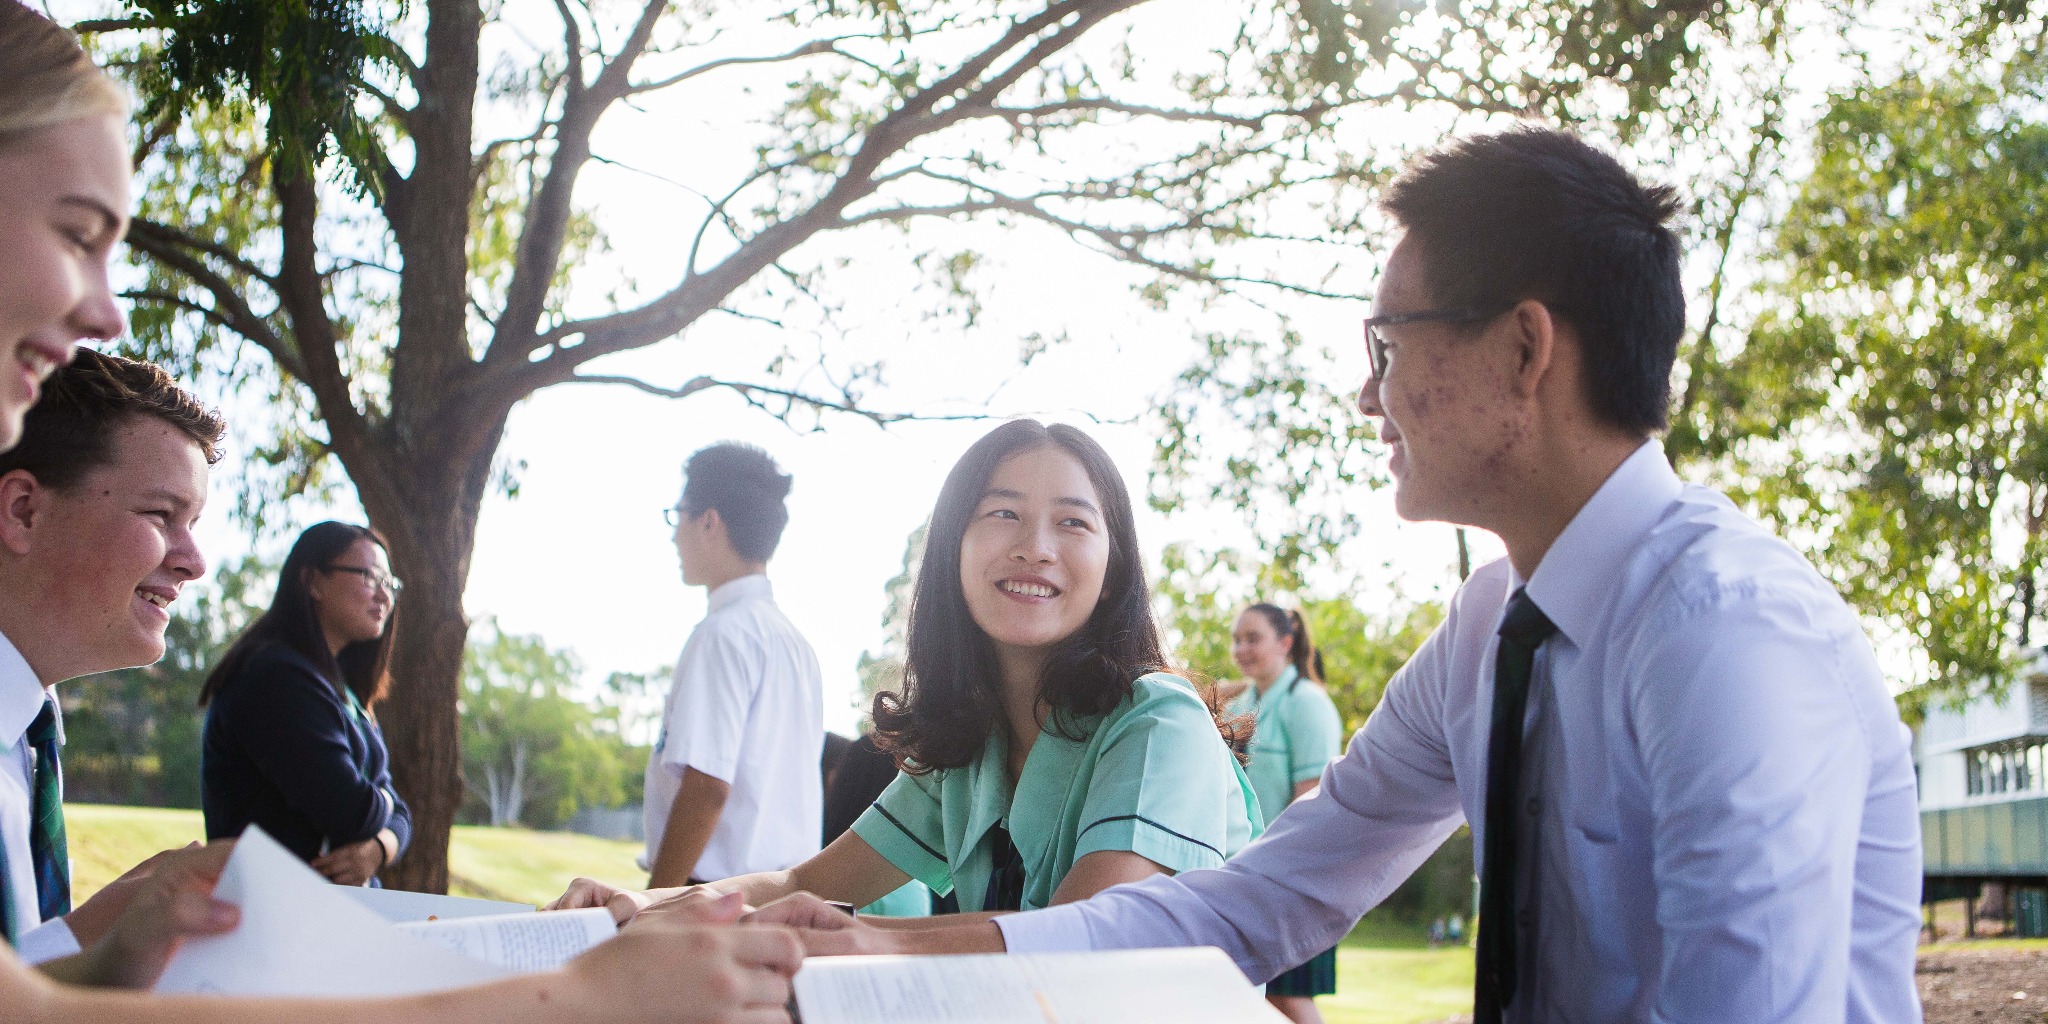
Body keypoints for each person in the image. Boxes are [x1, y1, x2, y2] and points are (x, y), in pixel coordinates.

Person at [744, 128, 1923, 1023]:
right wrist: (880, 950)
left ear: (1523, 348)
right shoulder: (1485, 630)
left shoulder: (1722, 629)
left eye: (1387, 346)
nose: (1368, 396)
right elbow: (1255, 900)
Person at [0, 7, 805, 1018]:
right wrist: (575, 996)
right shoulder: (277, 682)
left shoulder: (32, 728)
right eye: (76, 234)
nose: (106, 310)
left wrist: (113, 933)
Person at [551, 420, 1263, 926]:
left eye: (1073, 523)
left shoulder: (1158, 721)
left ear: (1112, 572)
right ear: (953, 551)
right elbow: (804, 880)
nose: (1035, 547)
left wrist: (856, 940)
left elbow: (1080, 940)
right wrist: (634, 903)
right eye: (1002, 513)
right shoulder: (969, 747)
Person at [643, 443, 823, 888]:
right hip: (778, 899)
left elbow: (707, 788)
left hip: (711, 903)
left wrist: (653, 905)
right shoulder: (797, 646)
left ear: (708, 521)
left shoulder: (722, 635)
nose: (673, 534)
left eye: (678, 514)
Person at [199, 522, 410, 884]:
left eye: (389, 584)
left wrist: (377, 848)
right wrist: (386, 804)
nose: (384, 596)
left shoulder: (343, 690)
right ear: (313, 581)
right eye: (370, 577)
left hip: (326, 917)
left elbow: (400, 815)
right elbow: (352, 811)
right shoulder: (276, 678)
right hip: (272, 918)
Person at [1224, 604, 1343, 1024]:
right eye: (1236, 638)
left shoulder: (1307, 704)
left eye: (1253, 638)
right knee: (1251, 999)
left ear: (1286, 643)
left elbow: (1310, 807)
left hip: (1293, 882)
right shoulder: (1241, 702)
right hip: (1246, 880)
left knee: (1289, 1000)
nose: (1241, 648)